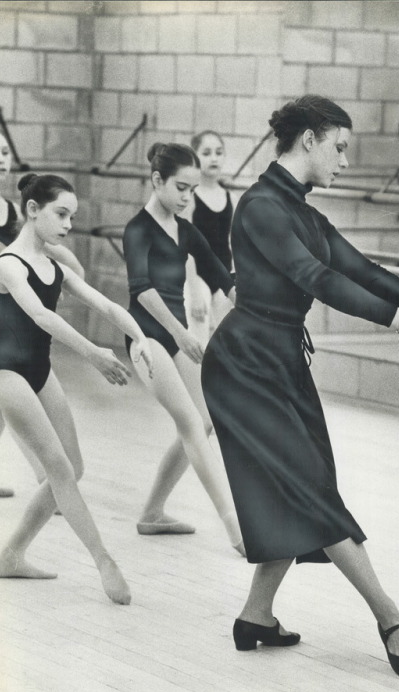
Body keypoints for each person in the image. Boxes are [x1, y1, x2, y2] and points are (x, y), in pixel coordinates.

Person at [201, 95, 399, 678]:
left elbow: (359, 269)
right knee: (309, 490)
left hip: (282, 362)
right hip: (243, 366)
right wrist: (395, 321)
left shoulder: (305, 213)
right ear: (309, 141)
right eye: (339, 148)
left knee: (307, 485)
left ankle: (256, 616)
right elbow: (313, 278)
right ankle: (389, 615)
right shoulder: (262, 207)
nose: (344, 160)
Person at [0, 172, 154, 605]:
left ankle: (11, 555)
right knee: (59, 469)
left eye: (72, 217)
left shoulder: (56, 267)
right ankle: (103, 560)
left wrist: (139, 337)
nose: (67, 224)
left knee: (73, 469)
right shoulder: (8, 263)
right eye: (60, 214)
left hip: (40, 372)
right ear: (32, 210)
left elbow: (106, 303)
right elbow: (42, 318)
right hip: (8, 373)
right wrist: (92, 353)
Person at [122, 142, 244, 555]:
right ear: (157, 180)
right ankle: (234, 526)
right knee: (192, 423)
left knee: (206, 419)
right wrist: (179, 333)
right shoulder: (137, 229)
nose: (188, 197)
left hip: (172, 336)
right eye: (180, 188)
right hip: (145, 336)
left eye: (192, 190)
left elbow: (219, 274)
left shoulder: (186, 230)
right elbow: (141, 291)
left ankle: (153, 512)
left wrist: (248, 297)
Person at [0, 126, 85, 498]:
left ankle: (43, 473)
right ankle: (47, 475)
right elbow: (3, 251)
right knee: (10, 383)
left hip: (3, 304)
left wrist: (68, 261)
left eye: (4, 153)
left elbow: (31, 242)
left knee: (6, 392)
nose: (0, 160)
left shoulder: (13, 209)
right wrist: (56, 260)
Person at [184, 130, 234, 346]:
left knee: (226, 343)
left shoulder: (229, 196)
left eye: (218, 152)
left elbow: (233, 243)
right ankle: (194, 379)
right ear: (195, 158)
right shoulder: (189, 196)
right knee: (200, 341)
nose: (214, 158)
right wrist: (194, 289)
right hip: (197, 275)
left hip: (223, 274)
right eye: (206, 153)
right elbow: (183, 244)